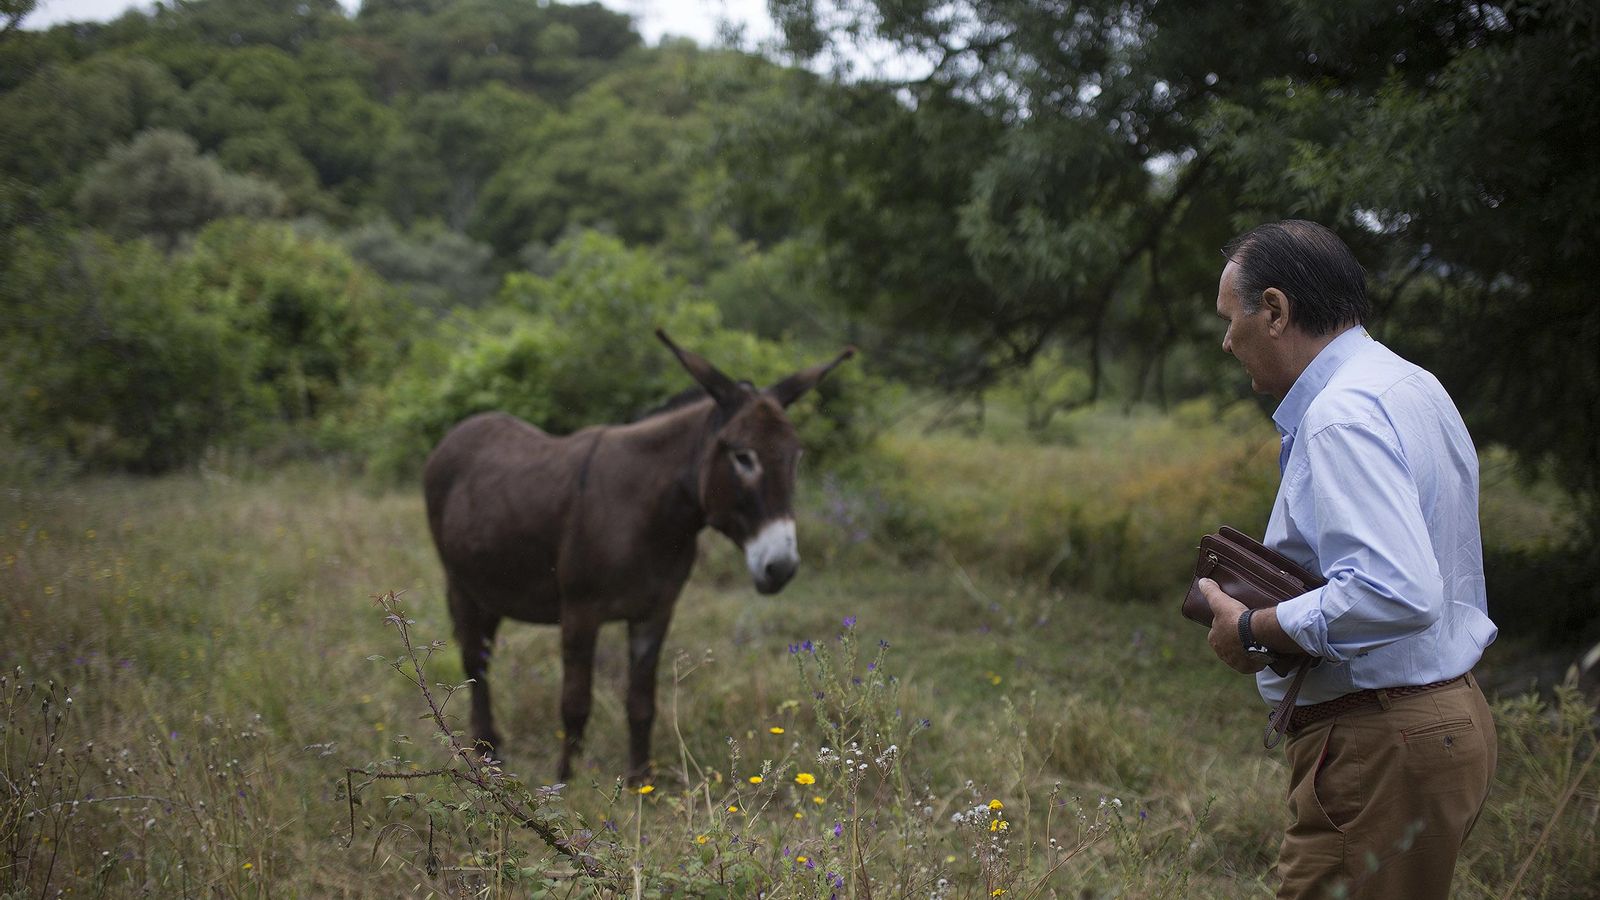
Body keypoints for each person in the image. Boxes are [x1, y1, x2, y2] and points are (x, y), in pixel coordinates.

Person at [1197, 220, 1498, 899]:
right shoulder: (1410, 384)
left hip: (1380, 740)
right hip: (1439, 718)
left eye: (1230, 319)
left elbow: (1396, 591)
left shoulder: (1341, 415)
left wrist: (1253, 628)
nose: (1227, 341)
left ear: (1275, 311)